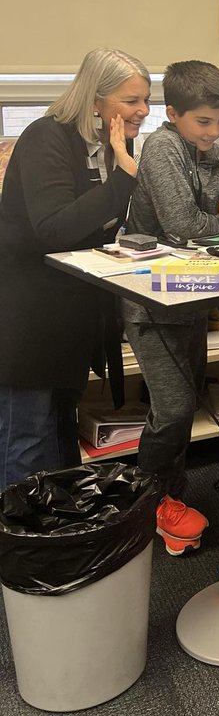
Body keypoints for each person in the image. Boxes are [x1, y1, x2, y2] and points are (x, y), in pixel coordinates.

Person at [122, 61, 219, 554]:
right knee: (174, 407)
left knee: (181, 407)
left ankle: (168, 499)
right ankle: (140, 507)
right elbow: (183, 226)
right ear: (173, 114)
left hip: (191, 295)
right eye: (203, 122)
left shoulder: (212, 152)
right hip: (151, 301)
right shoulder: (162, 147)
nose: (213, 132)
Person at [0, 49, 150, 490]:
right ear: (96, 100)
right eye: (132, 100)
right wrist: (124, 176)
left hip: (71, 311)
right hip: (27, 315)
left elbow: (98, 228)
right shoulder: (45, 138)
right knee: (25, 439)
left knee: (63, 431)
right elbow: (54, 228)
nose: (142, 110)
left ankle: (62, 540)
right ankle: (21, 548)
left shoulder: (110, 146)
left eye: (145, 99)